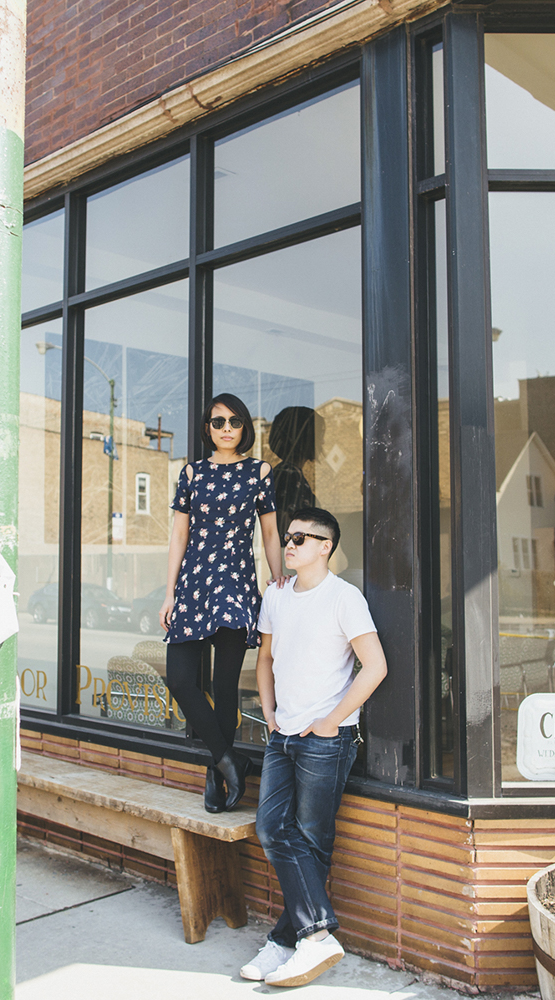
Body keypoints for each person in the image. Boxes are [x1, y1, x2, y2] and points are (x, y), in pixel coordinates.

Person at [239, 507, 387, 988]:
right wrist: (269, 711)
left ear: (327, 546)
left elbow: (375, 666)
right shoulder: (276, 596)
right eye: (288, 537)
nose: (291, 544)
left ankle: (289, 941)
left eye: (303, 538)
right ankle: (313, 936)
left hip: (327, 739)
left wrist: (331, 720)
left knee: (310, 839)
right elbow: (265, 658)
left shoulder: (346, 598)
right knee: (272, 828)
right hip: (283, 734)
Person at [160, 392, 284, 814]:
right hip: (194, 582)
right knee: (179, 677)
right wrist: (169, 592)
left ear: (245, 427)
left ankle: (218, 775)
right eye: (218, 422)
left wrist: (278, 577)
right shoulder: (192, 473)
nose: (227, 428)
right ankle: (229, 760)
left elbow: (269, 532)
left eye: (235, 421)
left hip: (235, 581)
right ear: (207, 428)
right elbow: (179, 535)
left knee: (225, 686)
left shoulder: (259, 471)